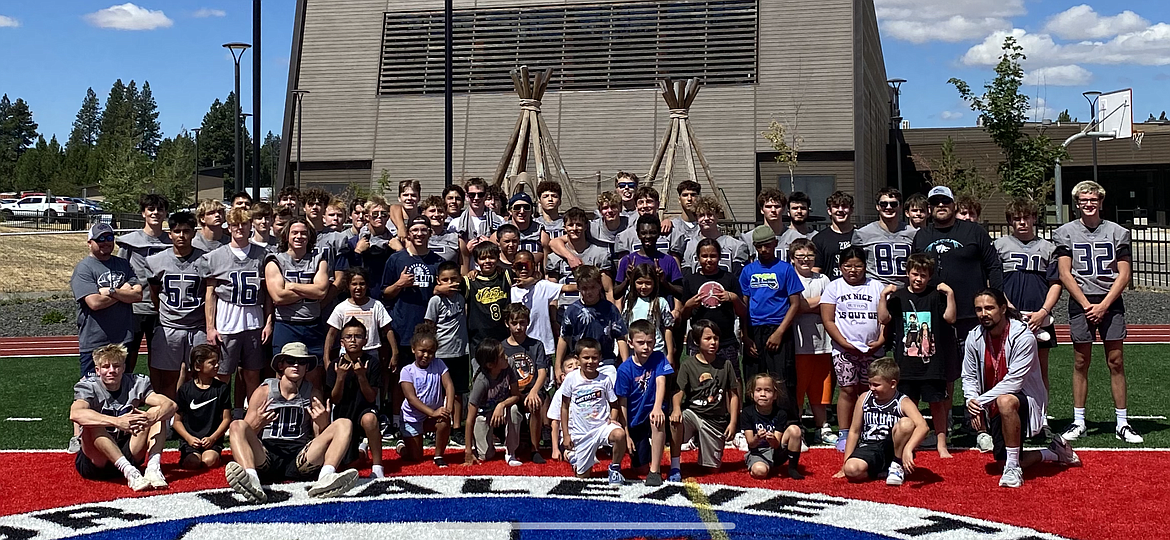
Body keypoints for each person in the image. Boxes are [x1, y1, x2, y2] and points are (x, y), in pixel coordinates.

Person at [962, 289, 1081, 487]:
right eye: (979, 309)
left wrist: (980, 402)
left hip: (1024, 399)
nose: (984, 314)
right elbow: (969, 375)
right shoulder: (974, 337)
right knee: (999, 461)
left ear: (1002, 308)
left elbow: (1014, 382)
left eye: (989, 308)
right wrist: (971, 400)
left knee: (1006, 400)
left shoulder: (1023, 336)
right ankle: (1052, 452)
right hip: (992, 402)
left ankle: (1013, 468)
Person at [1054, 181, 1141, 444]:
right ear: (1077, 204)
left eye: (1093, 199)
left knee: (1116, 361)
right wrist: (1086, 304)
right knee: (1081, 361)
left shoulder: (1117, 232)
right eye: (1084, 200)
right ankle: (1079, 420)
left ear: (1101, 202)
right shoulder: (1065, 232)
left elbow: (1124, 274)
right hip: (1082, 302)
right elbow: (1064, 273)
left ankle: (1122, 422)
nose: (1088, 204)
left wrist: (1103, 305)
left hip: (1109, 301)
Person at [224, 342, 359, 502]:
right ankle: (251, 478)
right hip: (267, 454)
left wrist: (323, 423)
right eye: (291, 361)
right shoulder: (264, 392)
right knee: (236, 424)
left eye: (301, 362)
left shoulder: (313, 394)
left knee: (344, 423)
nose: (296, 365)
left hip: (300, 457)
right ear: (281, 365)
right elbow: (244, 434)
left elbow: (320, 438)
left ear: (307, 367)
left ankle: (326, 478)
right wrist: (258, 424)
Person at [913, 185, 1002, 421]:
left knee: (981, 370)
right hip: (935, 317)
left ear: (954, 205)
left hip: (973, 316)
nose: (941, 206)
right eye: (936, 203)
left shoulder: (974, 232)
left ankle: (983, 418)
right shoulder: (922, 235)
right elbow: (914, 273)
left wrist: (996, 298)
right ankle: (947, 420)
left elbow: (993, 265)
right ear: (929, 208)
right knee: (943, 373)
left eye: (946, 202)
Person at [878, 253, 957, 458]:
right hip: (905, 364)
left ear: (929, 276)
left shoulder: (935, 296)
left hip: (932, 362)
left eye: (923, 275)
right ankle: (908, 443)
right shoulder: (899, 297)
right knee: (907, 406)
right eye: (915, 274)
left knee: (937, 404)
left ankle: (941, 443)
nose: (918, 279)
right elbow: (883, 318)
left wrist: (950, 295)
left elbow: (950, 318)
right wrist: (882, 297)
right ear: (907, 273)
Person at [71, 344, 176, 491]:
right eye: (106, 366)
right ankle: (130, 472)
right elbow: (76, 414)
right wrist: (117, 422)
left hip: (130, 449)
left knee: (158, 412)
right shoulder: (89, 386)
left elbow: (170, 405)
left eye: (116, 366)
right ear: (97, 370)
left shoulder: (136, 383)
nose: (112, 371)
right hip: (97, 460)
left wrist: (153, 416)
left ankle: (153, 468)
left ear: (124, 367)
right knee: (92, 423)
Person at [202, 207, 272, 412]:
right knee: (222, 374)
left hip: (254, 319)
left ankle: (252, 417)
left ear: (251, 226)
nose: (239, 228)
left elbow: (268, 293)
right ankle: (220, 417)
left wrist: (268, 322)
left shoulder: (263, 254)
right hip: (227, 320)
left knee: (252, 374)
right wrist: (210, 327)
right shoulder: (215, 256)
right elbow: (210, 294)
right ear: (229, 227)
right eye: (235, 224)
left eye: (244, 224)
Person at [821, 246, 886, 451]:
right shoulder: (834, 287)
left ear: (865, 267)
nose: (853, 270)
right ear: (840, 267)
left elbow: (885, 318)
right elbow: (828, 319)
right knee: (848, 390)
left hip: (872, 349)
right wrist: (844, 342)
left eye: (858, 266)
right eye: (848, 266)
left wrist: (881, 340)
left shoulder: (876, 287)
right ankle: (845, 432)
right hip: (844, 349)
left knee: (871, 391)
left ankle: (869, 429)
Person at [995, 199, 1061, 395]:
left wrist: (1044, 311)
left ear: (1034, 219)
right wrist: (1007, 307)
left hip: (1038, 315)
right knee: (1005, 367)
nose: (1022, 222)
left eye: (1026, 218)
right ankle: (1005, 415)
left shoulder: (1048, 248)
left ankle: (1042, 417)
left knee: (1040, 369)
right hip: (1008, 313)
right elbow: (993, 282)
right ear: (1010, 221)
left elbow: (1056, 283)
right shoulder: (999, 246)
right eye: (1017, 219)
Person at [835, 358, 929, 485]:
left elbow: (923, 426)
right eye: (870, 384)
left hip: (893, 447)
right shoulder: (864, 398)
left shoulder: (902, 401)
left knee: (906, 423)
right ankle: (881, 471)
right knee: (851, 470)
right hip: (869, 446)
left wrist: (908, 448)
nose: (872, 388)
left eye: (876, 385)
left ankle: (897, 464)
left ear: (892, 384)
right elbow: (854, 431)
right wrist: (845, 463)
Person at [145, 211, 206, 400]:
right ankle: (168, 422)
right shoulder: (156, 261)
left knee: (196, 377)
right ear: (169, 233)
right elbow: (154, 293)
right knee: (168, 378)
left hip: (198, 327)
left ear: (194, 233)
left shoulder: (206, 260)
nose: (182, 236)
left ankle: (189, 418)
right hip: (169, 327)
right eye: (177, 231)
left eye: (186, 231)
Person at [264, 217, 331, 386]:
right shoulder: (275, 260)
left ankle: (312, 412)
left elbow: (322, 291)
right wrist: (310, 289)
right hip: (286, 325)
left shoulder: (319, 259)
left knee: (314, 375)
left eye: (303, 233)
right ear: (286, 236)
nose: (299, 236)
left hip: (312, 325)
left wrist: (292, 286)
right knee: (283, 376)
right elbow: (278, 296)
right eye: (294, 233)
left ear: (309, 237)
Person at [72, 222, 143, 378]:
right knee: (93, 392)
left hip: (123, 340)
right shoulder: (84, 268)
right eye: (100, 239)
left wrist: (111, 292)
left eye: (109, 237)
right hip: (95, 341)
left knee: (123, 389)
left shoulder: (123, 264)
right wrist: (123, 293)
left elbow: (138, 295)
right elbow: (95, 303)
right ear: (90, 243)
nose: (105, 242)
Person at [740, 225, 803, 397]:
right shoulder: (748, 271)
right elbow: (743, 306)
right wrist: (745, 337)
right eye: (759, 246)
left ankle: (787, 419)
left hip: (779, 327)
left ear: (775, 244)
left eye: (767, 245)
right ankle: (753, 417)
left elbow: (795, 304)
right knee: (753, 377)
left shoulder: (786, 269)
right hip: (754, 328)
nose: (763, 249)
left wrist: (780, 332)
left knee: (782, 377)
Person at [672, 320, 739, 475]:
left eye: (715, 338)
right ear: (697, 341)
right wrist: (676, 409)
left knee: (712, 470)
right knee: (677, 419)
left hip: (715, 420)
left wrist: (733, 422)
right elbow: (678, 390)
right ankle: (675, 465)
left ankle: (706, 448)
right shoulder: (688, 364)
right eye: (707, 339)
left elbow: (734, 395)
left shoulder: (726, 364)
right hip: (693, 413)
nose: (713, 342)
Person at [383, 216, 448, 373]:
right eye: (415, 230)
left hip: (429, 329)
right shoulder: (396, 259)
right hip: (403, 328)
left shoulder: (438, 261)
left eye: (423, 230)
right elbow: (385, 293)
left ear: (430, 233)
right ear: (408, 234)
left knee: (430, 376)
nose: (420, 234)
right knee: (400, 377)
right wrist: (400, 284)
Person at [787, 238, 836, 445]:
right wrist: (818, 302)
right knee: (798, 388)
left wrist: (809, 305)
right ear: (792, 259)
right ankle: (797, 426)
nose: (805, 260)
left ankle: (822, 427)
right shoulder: (790, 278)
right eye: (800, 257)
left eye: (809, 256)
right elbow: (797, 306)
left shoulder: (822, 279)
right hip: (799, 343)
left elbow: (831, 304)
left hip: (822, 343)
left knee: (821, 388)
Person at [116, 193, 171, 373]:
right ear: (143, 213)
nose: (156, 213)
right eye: (151, 209)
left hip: (162, 308)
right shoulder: (129, 241)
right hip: (135, 308)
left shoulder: (172, 241)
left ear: (165, 213)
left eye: (160, 209)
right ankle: (125, 395)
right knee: (128, 355)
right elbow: (120, 271)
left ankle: (159, 396)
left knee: (160, 359)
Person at [615, 320, 675, 486]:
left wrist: (657, 407)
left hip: (653, 411)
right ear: (630, 343)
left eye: (649, 343)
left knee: (658, 419)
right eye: (640, 343)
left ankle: (655, 471)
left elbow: (661, 381)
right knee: (639, 468)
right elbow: (623, 402)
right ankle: (645, 456)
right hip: (635, 418)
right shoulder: (625, 369)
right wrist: (626, 432)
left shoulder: (658, 358)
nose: (645, 347)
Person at [560, 338, 627, 483]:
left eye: (594, 358)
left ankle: (615, 468)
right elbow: (564, 407)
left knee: (620, 435)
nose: (590, 361)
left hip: (602, 427)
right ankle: (575, 458)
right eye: (586, 358)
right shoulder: (571, 379)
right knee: (583, 477)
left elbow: (614, 404)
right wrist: (566, 434)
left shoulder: (605, 379)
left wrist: (613, 418)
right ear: (578, 360)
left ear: (600, 358)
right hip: (582, 432)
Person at [329, 318, 385, 477]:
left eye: (358, 336)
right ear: (342, 342)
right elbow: (334, 400)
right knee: (349, 465)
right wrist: (340, 378)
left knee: (370, 419)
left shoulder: (372, 363)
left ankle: (378, 467)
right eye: (348, 337)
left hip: (365, 410)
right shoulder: (335, 364)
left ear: (365, 340)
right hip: (344, 415)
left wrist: (361, 376)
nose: (353, 340)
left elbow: (371, 397)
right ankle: (361, 449)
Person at [681, 238, 747, 370]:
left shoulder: (729, 278)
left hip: (726, 339)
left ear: (719, 257)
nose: (709, 260)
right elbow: (684, 316)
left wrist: (733, 298)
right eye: (704, 256)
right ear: (698, 258)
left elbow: (743, 312)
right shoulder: (690, 280)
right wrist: (688, 305)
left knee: (733, 377)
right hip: (699, 342)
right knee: (700, 378)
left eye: (713, 256)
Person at [556, 265, 630, 382]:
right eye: (584, 288)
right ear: (578, 288)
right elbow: (564, 338)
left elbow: (620, 337)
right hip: (580, 363)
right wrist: (557, 367)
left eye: (592, 287)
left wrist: (626, 364)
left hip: (606, 362)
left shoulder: (610, 309)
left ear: (599, 286)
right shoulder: (572, 311)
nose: (589, 292)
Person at [424, 261, 470, 443]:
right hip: (441, 353)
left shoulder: (461, 297)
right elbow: (429, 325)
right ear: (438, 281)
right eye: (445, 280)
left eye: (454, 279)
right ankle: (437, 424)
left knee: (458, 391)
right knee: (438, 392)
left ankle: (456, 427)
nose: (450, 283)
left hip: (460, 351)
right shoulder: (436, 301)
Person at [325, 267, 396, 382]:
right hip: (347, 353)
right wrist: (326, 358)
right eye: (354, 284)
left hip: (371, 352)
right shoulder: (341, 308)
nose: (358, 288)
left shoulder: (376, 305)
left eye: (362, 284)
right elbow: (331, 334)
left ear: (367, 285)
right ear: (348, 286)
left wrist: (395, 352)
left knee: (371, 386)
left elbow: (387, 329)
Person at [399, 325, 455, 466]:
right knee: (416, 457)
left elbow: (449, 386)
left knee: (444, 420)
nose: (426, 355)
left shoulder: (439, 364)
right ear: (413, 349)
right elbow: (411, 399)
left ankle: (438, 455)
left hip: (433, 415)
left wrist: (447, 408)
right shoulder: (407, 371)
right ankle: (402, 447)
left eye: (430, 352)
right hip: (412, 417)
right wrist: (432, 412)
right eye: (422, 351)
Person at [502, 303, 550, 463]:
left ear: (528, 322)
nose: (518, 327)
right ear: (506, 323)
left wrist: (534, 391)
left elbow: (542, 371)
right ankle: (512, 447)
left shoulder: (536, 345)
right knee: (513, 408)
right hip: (511, 392)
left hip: (531, 389)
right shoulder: (502, 347)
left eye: (522, 322)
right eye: (514, 323)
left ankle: (535, 448)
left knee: (535, 403)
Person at [464, 338, 524, 466]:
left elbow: (516, 395)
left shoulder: (509, 365)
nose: (506, 357)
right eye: (502, 356)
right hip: (483, 413)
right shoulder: (481, 381)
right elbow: (469, 419)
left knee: (513, 410)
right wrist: (468, 451)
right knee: (486, 455)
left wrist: (501, 405)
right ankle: (486, 442)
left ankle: (510, 451)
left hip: (503, 408)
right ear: (490, 365)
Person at [173, 344, 231, 470]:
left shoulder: (222, 388)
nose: (217, 365)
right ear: (198, 366)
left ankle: (217, 455)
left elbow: (226, 419)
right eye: (212, 363)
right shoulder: (185, 390)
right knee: (192, 463)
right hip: (190, 440)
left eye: (217, 362)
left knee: (209, 461)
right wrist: (188, 438)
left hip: (212, 439)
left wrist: (213, 438)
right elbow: (177, 421)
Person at [546, 207, 615, 309]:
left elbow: (608, 290)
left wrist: (611, 315)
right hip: (564, 311)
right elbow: (551, 292)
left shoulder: (600, 254)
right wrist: (553, 320)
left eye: (578, 225)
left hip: (593, 311)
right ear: (564, 228)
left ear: (586, 226)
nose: (574, 228)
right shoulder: (555, 257)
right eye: (570, 225)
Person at [740, 373, 804, 480]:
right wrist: (757, 438)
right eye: (758, 390)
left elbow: (776, 445)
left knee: (795, 430)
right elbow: (751, 443)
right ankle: (755, 466)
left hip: (776, 452)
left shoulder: (780, 413)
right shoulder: (747, 413)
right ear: (752, 394)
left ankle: (792, 468)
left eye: (768, 390)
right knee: (760, 472)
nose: (763, 394)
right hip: (758, 452)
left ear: (775, 395)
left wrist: (772, 439)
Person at [510, 250, 573, 355]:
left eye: (527, 265)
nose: (524, 269)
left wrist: (589, 283)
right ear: (513, 267)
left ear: (534, 266)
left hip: (543, 345)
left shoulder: (543, 286)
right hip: (518, 345)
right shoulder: (510, 288)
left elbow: (567, 288)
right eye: (519, 265)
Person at [852, 187, 916, 286]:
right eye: (884, 204)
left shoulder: (913, 233)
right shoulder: (862, 233)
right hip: (874, 290)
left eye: (893, 204)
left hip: (904, 290)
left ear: (900, 206)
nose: (889, 207)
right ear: (877, 207)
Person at [615, 214, 684, 301]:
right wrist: (628, 280)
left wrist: (663, 282)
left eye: (652, 233)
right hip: (635, 311)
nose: (648, 236)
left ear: (658, 233)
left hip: (661, 310)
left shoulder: (669, 260)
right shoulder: (627, 260)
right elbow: (616, 294)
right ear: (638, 234)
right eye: (643, 233)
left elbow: (681, 292)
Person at [346, 196, 400, 301]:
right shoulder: (354, 243)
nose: (379, 217)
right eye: (375, 214)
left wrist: (401, 252)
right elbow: (348, 274)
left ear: (388, 217)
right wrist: (357, 252)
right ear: (367, 217)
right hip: (363, 298)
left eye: (383, 214)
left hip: (388, 298)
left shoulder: (394, 243)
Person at [464, 241, 513, 350]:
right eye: (482, 258)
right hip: (479, 339)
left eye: (491, 257)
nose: (487, 261)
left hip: (504, 337)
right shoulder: (469, 281)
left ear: (497, 258)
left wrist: (533, 278)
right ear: (476, 261)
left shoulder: (506, 275)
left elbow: (533, 273)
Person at [620, 264, 675, 358]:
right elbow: (624, 330)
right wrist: (625, 358)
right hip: (634, 351)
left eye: (648, 283)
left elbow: (668, 328)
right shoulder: (629, 302)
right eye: (640, 283)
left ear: (654, 283)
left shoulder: (660, 302)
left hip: (656, 350)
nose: (644, 287)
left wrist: (670, 354)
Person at [682, 196, 749, 273]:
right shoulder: (690, 245)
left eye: (710, 214)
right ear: (696, 218)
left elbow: (738, 276)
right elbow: (687, 275)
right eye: (701, 215)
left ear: (717, 215)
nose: (706, 218)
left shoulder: (735, 245)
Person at [453, 178, 505, 273]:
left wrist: (491, 245)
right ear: (466, 196)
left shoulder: (499, 221)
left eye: (480, 195)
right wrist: (465, 251)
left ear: (485, 196)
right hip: (468, 273)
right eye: (472, 195)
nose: (476, 198)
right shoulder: (456, 223)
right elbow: (451, 254)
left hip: (493, 274)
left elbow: (506, 249)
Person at [615, 186, 676, 258]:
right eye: (641, 202)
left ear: (658, 204)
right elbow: (623, 265)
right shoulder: (625, 237)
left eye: (649, 202)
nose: (645, 206)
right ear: (636, 206)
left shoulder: (670, 232)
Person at [813, 191, 856, 280]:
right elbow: (816, 270)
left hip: (858, 289)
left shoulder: (861, 236)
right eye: (836, 207)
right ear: (829, 211)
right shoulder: (819, 239)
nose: (840, 210)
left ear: (851, 210)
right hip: (831, 290)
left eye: (844, 206)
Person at [503, 191, 550, 266]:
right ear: (510, 211)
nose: (522, 211)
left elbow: (547, 264)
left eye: (526, 207)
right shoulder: (501, 231)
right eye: (517, 207)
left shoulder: (540, 232)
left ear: (532, 210)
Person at [547, 354, 579, 462]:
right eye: (570, 366)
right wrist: (555, 449)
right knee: (571, 452)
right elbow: (555, 423)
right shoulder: (560, 394)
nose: (575, 367)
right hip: (568, 437)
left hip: (586, 434)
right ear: (563, 376)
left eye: (577, 364)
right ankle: (571, 456)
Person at [742, 189, 786, 259]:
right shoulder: (748, 239)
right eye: (768, 207)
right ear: (762, 210)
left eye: (777, 206)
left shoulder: (795, 237)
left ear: (783, 209)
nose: (773, 210)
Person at [776, 191, 818, 259]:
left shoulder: (816, 237)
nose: (799, 211)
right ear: (788, 212)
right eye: (795, 208)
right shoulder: (780, 237)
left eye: (803, 208)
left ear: (808, 211)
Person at [422, 195, 461, 263]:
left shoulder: (456, 239)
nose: (436, 214)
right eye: (432, 211)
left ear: (446, 214)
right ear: (424, 214)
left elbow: (464, 268)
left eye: (440, 211)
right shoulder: (418, 238)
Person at [667, 180, 702, 248]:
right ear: (679, 199)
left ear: (698, 198)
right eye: (685, 195)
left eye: (693, 195)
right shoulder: (672, 227)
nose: (689, 199)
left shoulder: (707, 226)